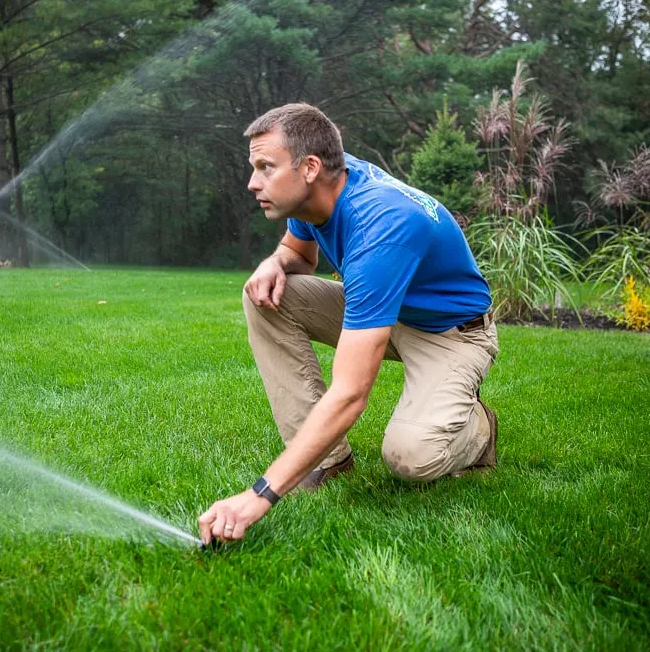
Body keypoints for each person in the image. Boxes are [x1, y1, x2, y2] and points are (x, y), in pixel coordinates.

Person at [198, 103, 498, 546]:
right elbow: (300, 256)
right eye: (253, 167)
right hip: (384, 309)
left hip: (451, 335)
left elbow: (351, 393)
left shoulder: (382, 226)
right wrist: (274, 261)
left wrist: (258, 496)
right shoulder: (317, 190)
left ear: (310, 167)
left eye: (265, 167)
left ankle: (477, 428)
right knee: (265, 296)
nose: (252, 182)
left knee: (410, 458)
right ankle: (327, 461)